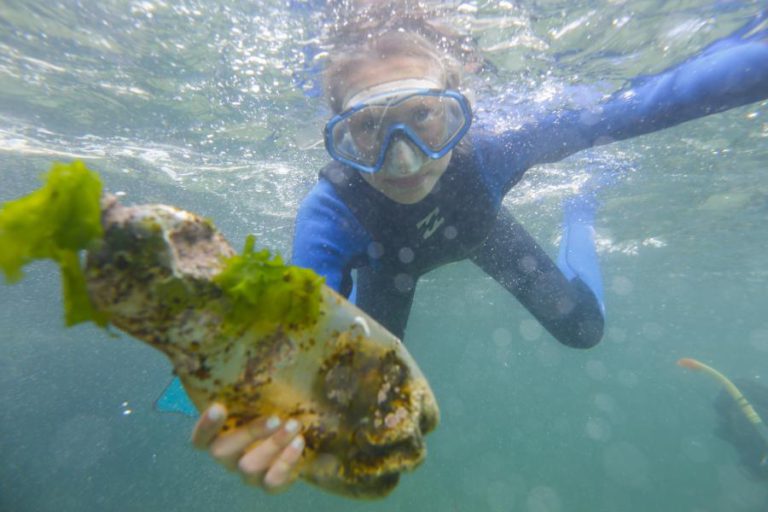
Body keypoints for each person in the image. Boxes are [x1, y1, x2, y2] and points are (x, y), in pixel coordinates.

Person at [189, 7, 768, 493]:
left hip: (483, 233)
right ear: (340, 137)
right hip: (393, 272)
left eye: (422, 118)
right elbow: (298, 334)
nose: (404, 160)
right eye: (369, 131)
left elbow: (650, 103)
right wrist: (268, 410)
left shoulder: (492, 149)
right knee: (353, 405)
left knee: (583, 330)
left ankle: (579, 211)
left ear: (459, 113)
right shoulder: (332, 210)